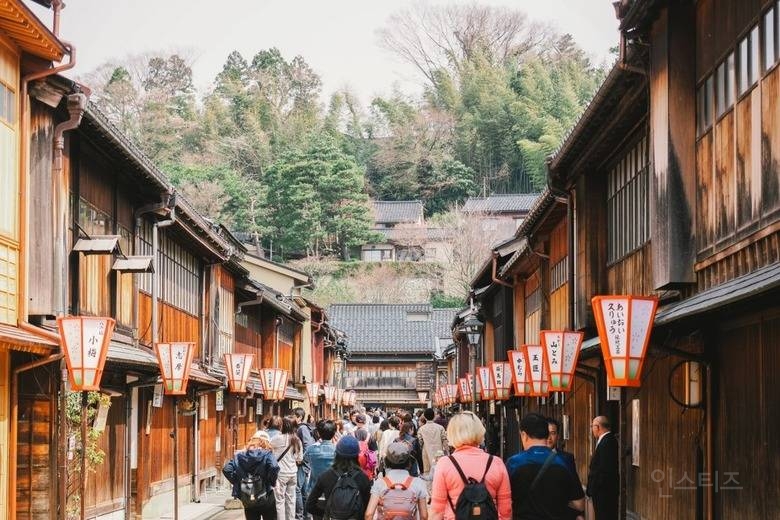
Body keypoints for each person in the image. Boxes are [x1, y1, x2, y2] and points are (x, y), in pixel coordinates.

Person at [429, 411, 512, 520]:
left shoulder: (445, 464)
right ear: (480, 431)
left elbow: (437, 512)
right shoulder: (496, 463)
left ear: (451, 434)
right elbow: (506, 510)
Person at [506, 413, 585, 520]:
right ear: (547, 434)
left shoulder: (514, 463)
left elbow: (504, 501)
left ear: (524, 435)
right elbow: (579, 504)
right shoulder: (563, 462)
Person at [306, 436, 372, 520]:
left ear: (337, 453)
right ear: (357, 455)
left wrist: (327, 513)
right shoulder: (363, 478)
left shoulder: (326, 476)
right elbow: (367, 507)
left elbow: (310, 505)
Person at [363, 441, 429, 520]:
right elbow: (424, 516)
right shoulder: (418, 483)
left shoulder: (379, 483)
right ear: (409, 462)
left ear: (386, 462)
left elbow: (369, 514)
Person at [223, 430, 280, 520]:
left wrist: (238, 481)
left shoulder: (240, 455)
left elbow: (226, 469)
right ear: (266, 442)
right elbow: (274, 467)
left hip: (248, 494)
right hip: (266, 494)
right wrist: (271, 481)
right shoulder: (267, 454)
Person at [271, 416, 303, 520]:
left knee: (280, 501)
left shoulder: (277, 438)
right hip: (293, 473)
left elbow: (268, 450)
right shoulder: (297, 440)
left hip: (281, 473)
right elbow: (299, 459)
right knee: (291, 500)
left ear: (282, 426)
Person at [587, 416, 619, 520]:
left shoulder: (607, 441)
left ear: (597, 427)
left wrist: (595, 488)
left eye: (592, 426)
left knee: (605, 515)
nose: (592, 429)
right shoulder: (606, 440)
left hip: (604, 491)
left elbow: (604, 469)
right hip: (603, 490)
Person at [303, 420, 338, 500]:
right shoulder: (338, 450)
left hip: (314, 490)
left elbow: (304, 459)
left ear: (318, 433)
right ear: (334, 433)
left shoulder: (311, 449)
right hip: (333, 491)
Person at [417, 408, 449, 495]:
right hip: (439, 454)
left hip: (426, 452)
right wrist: (448, 452)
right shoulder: (440, 428)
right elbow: (445, 441)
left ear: (425, 417)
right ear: (434, 416)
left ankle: (430, 493)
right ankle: (439, 491)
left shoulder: (421, 429)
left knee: (427, 472)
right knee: (439, 472)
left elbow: (419, 442)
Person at [294, 407, 316, 520]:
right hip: (303, 463)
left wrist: (302, 459)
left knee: (297, 488)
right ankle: (306, 515)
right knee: (302, 490)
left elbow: (307, 445)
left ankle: (299, 516)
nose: (292, 418)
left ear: (299, 417)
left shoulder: (302, 428)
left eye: (294, 416)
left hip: (302, 464)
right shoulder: (302, 428)